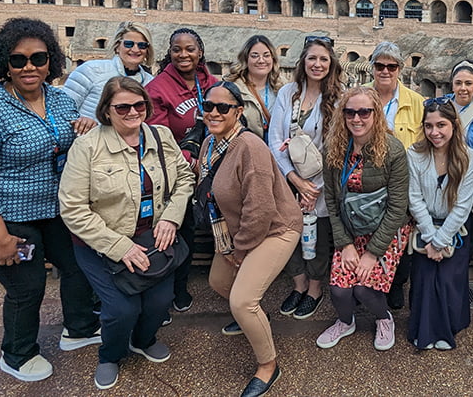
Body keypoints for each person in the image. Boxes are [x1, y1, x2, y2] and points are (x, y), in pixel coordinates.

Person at [0, 17, 100, 382]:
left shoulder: (62, 100)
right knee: (26, 286)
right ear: (5, 63)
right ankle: (17, 354)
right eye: (18, 60)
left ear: (52, 61)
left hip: (50, 209)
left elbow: (68, 145)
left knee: (78, 264)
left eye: (38, 57)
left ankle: (79, 328)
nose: (29, 66)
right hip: (0, 214)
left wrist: (87, 127)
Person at [59, 77, 194, 390]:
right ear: (107, 110)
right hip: (101, 242)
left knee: (161, 301)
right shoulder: (88, 146)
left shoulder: (160, 136)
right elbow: (73, 209)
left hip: (152, 237)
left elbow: (185, 178)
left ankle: (144, 339)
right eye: (123, 106)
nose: (133, 112)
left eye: (139, 105)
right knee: (122, 309)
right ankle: (111, 354)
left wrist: (171, 219)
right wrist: (119, 247)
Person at [200, 81, 301, 397]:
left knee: (241, 301)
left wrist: (240, 251)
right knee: (219, 282)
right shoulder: (208, 145)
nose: (214, 112)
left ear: (239, 112)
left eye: (223, 107)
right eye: (209, 106)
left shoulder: (250, 147)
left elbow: (260, 208)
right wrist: (229, 246)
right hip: (236, 228)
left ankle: (268, 366)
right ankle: (257, 319)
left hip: (276, 228)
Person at [316, 87, 410, 352]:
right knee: (340, 291)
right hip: (350, 228)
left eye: (364, 112)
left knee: (364, 290)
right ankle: (346, 322)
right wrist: (345, 244)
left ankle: (384, 318)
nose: (357, 118)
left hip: (385, 228)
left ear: (376, 115)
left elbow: (397, 207)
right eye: (350, 112)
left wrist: (371, 253)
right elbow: (332, 202)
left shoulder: (393, 150)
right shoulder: (333, 150)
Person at [145, 27, 217, 317]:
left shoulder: (210, 82)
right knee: (179, 229)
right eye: (177, 49)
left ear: (200, 52)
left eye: (190, 49)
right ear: (170, 52)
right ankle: (171, 289)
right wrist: (187, 157)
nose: (183, 54)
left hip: (208, 165)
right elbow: (157, 134)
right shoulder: (159, 87)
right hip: (175, 171)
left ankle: (183, 286)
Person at [269, 36, 342, 320]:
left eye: (324, 59)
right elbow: (275, 140)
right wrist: (294, 180)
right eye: (312, 58)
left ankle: (314, 289)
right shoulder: (288, 93)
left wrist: (313, 189)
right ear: (303, 62)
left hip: (321, 184)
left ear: (331, 64)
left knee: (318, 237)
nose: (317, 64)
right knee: (288, 235)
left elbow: (337, 148)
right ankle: (298, 285)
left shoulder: (338, 97)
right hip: (288, 181)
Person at [406, 99, 473, 350]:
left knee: (449, 279)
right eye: (429, 126)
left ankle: (449, 327)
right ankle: (425, 332)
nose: (434, 132)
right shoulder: (415, 155)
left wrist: (441, 241)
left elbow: (463, 205)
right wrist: (430, 237)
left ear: (454, 125)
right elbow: (414, 199)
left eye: (441, 125)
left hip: (455, 230)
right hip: (425, 229)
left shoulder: (470, 158)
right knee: (425, 278)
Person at [367, 41, 424, 310]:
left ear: (399, 68)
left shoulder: (416, 102)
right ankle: (369, 283)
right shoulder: (360, 97)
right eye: (380, 65)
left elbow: (425, 145)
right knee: (367, 232)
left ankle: (396, 284)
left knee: (401, 238)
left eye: (391, 66)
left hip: (402, 183)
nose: (385, 71)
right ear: (372, 68)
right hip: (366, 182)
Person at [63, 22, 154, 119]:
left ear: (147, 50)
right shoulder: (91, 70)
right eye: (128, 44)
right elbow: (63, 109)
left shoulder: (151, 82)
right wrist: (81, 121)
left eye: (142, 45)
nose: (135, 49)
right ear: (117, 46)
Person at [225, 34, 282, 142]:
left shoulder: (282, 88)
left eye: (266, 55)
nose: (261, 60)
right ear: (246, 59)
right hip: (246, 149)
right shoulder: (233, 89)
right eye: (255, 56)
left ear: (273, 58)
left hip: (277, 151)